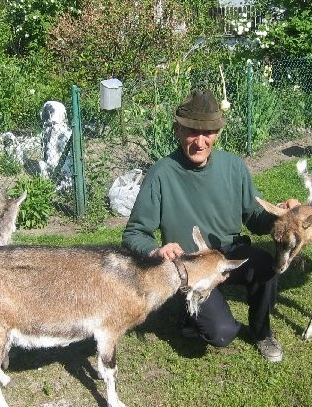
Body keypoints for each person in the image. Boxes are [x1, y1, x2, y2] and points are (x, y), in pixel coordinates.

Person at [121, 88, 295, 362]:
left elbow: (255, 218)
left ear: (217, 133)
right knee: (221, 333)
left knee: (266, 268)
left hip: (230, 253)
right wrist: (157, 251)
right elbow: (134, 233)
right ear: (177, 130)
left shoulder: (233, 167)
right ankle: (188, 314)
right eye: (192, 131)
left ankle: (262, 332)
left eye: (208, 133)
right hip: (192, 264)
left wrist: (282, 217)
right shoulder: (162, 173)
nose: (200, 142)